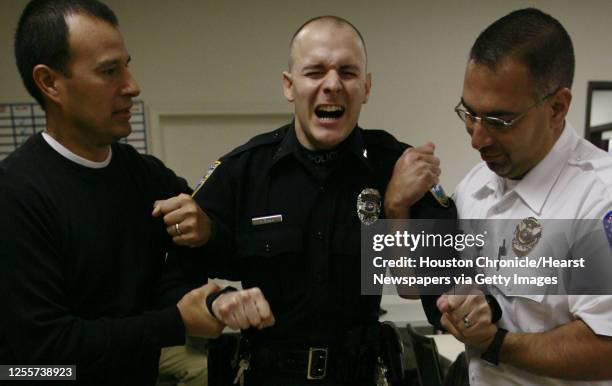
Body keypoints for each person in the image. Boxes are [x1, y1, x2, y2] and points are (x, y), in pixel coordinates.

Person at [154, 15, 456, 385]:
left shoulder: (396, 166)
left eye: (347, 72)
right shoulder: (242, 171)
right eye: (315, 72)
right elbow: (173, 282)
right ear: (289, 85)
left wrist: (395, 210)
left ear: (366, 86)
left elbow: (421, 288)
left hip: (361, 375)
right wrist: (218, 303)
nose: (332, 85)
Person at [0, 1, 271, 384]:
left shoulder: (147, 177)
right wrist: (174, 323)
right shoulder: (15, 195)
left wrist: (210, 261)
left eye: (126, 65)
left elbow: (178, 275)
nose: (132, 85)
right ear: (50, 83)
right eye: (110, 71)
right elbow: (43, 355)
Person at [437, 8, 612, 385]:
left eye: (500, 121)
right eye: (470, 114)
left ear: (557, 107)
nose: (477, 139)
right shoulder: (475, 185)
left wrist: (496, 344)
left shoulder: (599, 199)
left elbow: (606, 348)